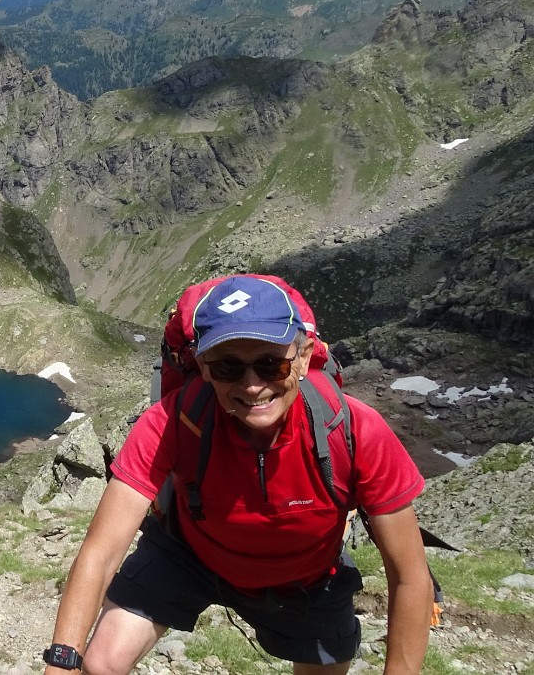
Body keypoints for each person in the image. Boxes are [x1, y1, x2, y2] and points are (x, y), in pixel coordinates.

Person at [41, 274, 432, 675]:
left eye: (270, 364)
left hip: (307, 579)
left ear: (303, 356)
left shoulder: (354, 430)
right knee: (101, 664)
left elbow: (409, 577)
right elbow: (101, 551)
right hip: (191, 554)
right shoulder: (172, 422)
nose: (252, 386)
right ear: (204, 368)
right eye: (228, 367)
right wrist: (62, 662)